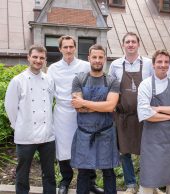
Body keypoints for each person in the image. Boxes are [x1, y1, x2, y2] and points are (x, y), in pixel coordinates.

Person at [47, 35, 103, 194]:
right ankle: (65, 181)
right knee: (64, 149)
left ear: (75, 48)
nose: (69, 50)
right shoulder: (53, 68)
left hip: (83, 112)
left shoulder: (85, 66)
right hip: (62, 113)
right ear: (60, 49)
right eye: (65, 47)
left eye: (71, 47)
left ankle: (90, 182)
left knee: (87, 147)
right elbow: (49, 93)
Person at [108, 32, 157, 194]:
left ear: (138, 44)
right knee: (124, 151)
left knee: (147, 151)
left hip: (144, 116)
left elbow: (154, 88)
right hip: (123, 115)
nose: (130, 44)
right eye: (127, 42)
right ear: (123, 45)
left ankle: (150, 183)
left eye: (133, 42)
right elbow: (111, 88)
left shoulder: (149, 64)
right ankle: (130, 185)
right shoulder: (115, 65)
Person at [137, 49, 170, 194]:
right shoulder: (146, 84)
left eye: (166, 62)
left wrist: (160, 108)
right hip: (151, 142)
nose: (163, 65)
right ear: (153, 65)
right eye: (159, 62)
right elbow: (145, 113)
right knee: (148, 179)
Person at [5, 45, 56, 194]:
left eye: (41, 58)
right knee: (22, 173)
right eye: (35, 57)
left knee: (49, 173)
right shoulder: (18, 81)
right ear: (28, 57)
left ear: (45, 60)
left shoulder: (48, 79)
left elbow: (50, 101)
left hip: (47, 135)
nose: (38, 60)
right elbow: (10, 107)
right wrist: (20, 126)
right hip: (26, 135)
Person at [70, 44, 120, 194]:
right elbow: (77, 108)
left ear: (105, 59)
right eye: (94, 57)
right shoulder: (79, 79)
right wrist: (101, 106)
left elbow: (110, 107)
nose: (97, 60)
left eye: (100, 57)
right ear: (89, 58)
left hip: (106, 133)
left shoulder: (112, 81)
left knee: (108, 171)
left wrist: (85, 103)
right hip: (84, 134)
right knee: (84, 172)